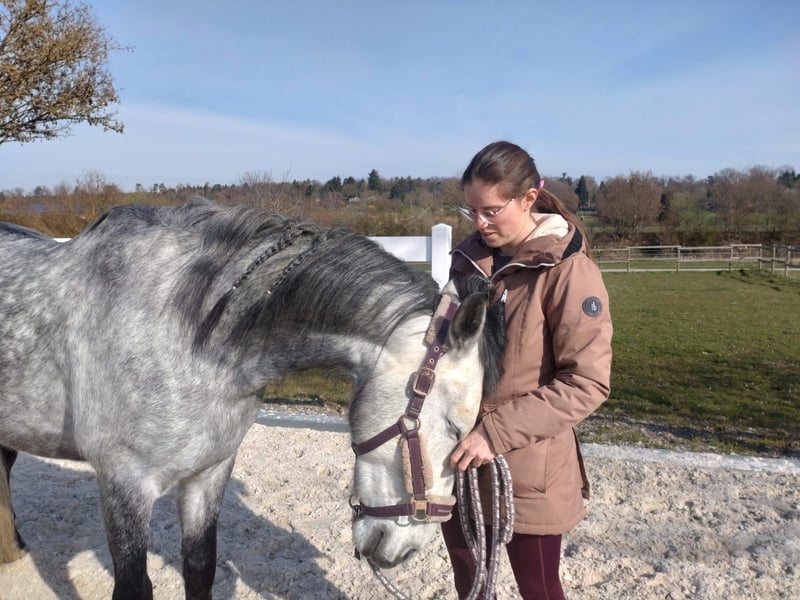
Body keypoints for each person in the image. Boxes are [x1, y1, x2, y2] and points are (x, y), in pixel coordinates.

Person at [442, 140, 613, 599]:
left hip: (527, 469)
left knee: (539, 589)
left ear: (528, 199)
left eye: (492, 211)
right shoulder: (466, 261)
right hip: (456, 459)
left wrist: (494, 434)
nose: (479, 223)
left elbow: (586, 382)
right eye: (471, 210)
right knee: (470, 585)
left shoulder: (568, 270)